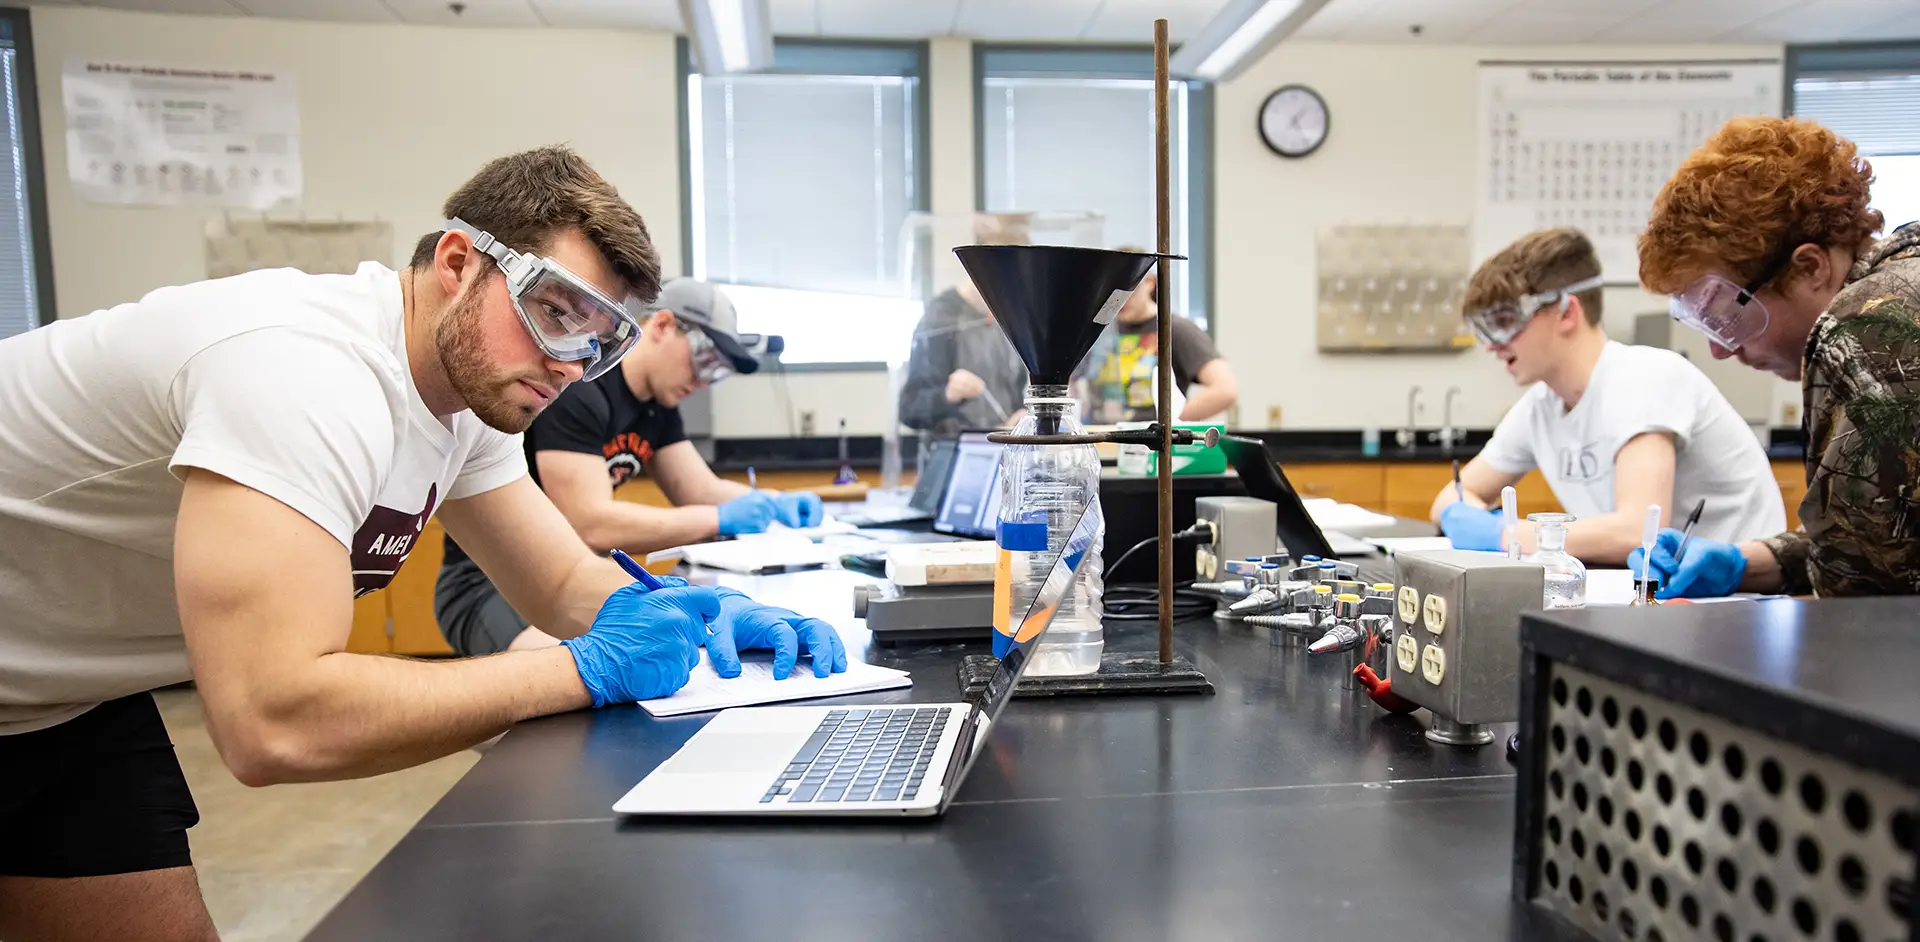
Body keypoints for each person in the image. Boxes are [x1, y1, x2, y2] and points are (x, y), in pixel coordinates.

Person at [0, 146, 845, 938]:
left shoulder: (471, 400)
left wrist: (693, 613)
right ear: (456, 263)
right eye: (554, 312)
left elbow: (559, 583)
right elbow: (271, 722)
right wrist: (577, 669)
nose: (566, 360)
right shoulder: (304, 370)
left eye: (596, 338)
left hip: (61, 699)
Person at [437, 277, 824, 656]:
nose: (703, 381)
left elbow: (700, 491)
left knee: (682, 660)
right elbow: (590, 522)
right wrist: (717, 519)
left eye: (716, 372)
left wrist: (774, 502)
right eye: (704, 359)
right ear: (664, 326)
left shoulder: (658, 406)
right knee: (573, 684)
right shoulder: (583, 387)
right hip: (487, 584)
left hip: (568, 580)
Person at [1631, 116, 1920, 598]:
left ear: (1810, 267)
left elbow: (1863, 596)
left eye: (1723, 316)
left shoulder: (1871, 324)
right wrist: (1746, 563)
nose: (1720, 349)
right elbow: (1885, 545)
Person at [1430, 227, 1785, 563]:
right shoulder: (1541, 408)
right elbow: (1451, 496)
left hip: (1735, 600)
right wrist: (1467, 517)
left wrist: (1504, 535)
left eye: (1504, 322)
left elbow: (1638, 532)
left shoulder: (1646, 377)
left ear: (1567, 313)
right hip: (1652, 600)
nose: (1492, 344)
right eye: (1483, 329)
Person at [897, 213, 1030, 433]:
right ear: (978, 268)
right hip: (955, 454)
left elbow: (1013, 394)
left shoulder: (1008, 319)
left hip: (1003, 451)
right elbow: (910, 408)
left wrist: (1021, 418)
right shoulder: (942, 317)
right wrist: (948, 394)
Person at [1079, 249, 1237, 424]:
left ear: (1150, 282)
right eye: (1109, 290)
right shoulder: (1097, 330)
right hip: (1100, 444)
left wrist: (1171, 422)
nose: (1119, 299)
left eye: (1128, 288)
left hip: (1150, 447)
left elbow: (1225, 389)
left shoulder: (1174, 329)